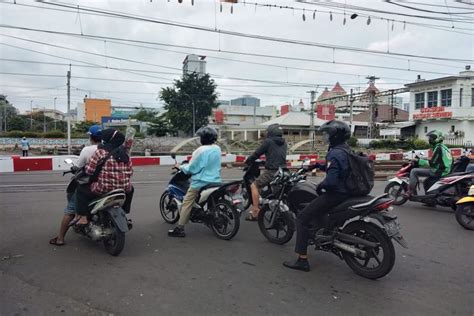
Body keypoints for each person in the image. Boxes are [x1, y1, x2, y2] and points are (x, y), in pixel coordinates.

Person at [283, 120, 352, 272]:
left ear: (335, 136)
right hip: (348, 192)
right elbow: (338, 168)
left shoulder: (334, 153)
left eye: (327, 134)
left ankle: (302, 260)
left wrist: (321, 186)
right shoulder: (346, 150)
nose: (325, 137)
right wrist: (318, 165)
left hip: (336, 194)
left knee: (302, 218)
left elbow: (331, 182)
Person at [49, 125, 102, 246]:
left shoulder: (87, 150)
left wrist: (74, 168)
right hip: (105, 183)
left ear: (90, 137)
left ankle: (60, 238)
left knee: (70, 210)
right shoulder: (108, 149)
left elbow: (78, 166)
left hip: (88, 184)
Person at [168, 126, 221, 238]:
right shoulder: (217, 148)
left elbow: (192, 168)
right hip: (216, 181)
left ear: (204, 138)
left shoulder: (200, 150)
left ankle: (180, 229)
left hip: (201, 182)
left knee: (187, 202)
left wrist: (181, 167)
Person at [75, 128, 134, 226]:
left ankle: (83, 217)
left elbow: (89, 171)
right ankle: (124, 213)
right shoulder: (125, 154)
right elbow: (130, 172)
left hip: (104, 188)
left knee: (81, 189)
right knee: (131, 189)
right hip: (123, 188)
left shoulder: (100, 152)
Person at [244, 123, 287, 221]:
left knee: (254, 186)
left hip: (272, 171)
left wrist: (248, 160)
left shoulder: (268, 142)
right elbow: (276, 155)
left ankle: (255, 211)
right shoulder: (284, 142)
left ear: (270, 132)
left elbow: (257, 153)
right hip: (283, 171)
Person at [407, 130, 453, 196]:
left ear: (436, 139)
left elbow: (432, 163)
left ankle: (410, 191)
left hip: (440, 171)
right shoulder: (443, 147)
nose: (429, 140)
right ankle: (430, 200)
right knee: (426, 181)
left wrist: (418, 161)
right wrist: (423, 159)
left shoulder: (438, 148)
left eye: (431, 138)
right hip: (445, 170)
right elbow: (436, 160)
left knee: (414, 171)